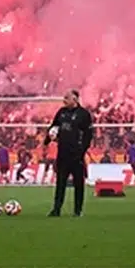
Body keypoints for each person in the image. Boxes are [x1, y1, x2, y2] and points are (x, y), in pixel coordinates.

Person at [46, 89, 93, 217]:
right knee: (60, 183)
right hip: (62, 153)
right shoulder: (61, 112)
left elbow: (88, 135)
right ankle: (56, 209)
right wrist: (47, 140)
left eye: (67, 98)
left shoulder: (84, 114)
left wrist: (82, 151)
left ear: (75, 99)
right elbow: (53, 126)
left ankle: (78, 210)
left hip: (77, 154)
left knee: (79, 183)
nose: (64, 100)